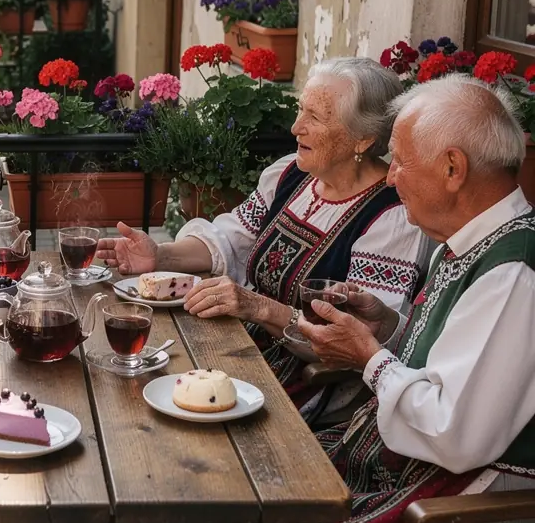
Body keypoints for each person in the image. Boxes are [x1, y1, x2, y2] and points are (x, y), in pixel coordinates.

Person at [140, 74, 535, 523]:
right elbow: (454, 371)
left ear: (453, 167)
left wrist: (371, 355)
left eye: (401, 163)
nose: (393, 176)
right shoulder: (479, 245)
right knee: (204, 500)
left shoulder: (513, 273)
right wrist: (393, 328)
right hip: (404, 472)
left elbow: (453, 434)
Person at [99, 57, 432, 429]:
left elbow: (352, 341)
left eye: (315, 118)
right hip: (240, 346)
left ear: (364, 139)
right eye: (299, 110)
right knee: (129, 384)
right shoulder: (291, 175)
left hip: (304, 384)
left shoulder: (389, 218)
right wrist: (160, 255)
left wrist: (258, 307)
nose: (295, 127)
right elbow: (231, 238)